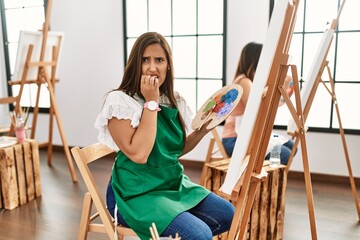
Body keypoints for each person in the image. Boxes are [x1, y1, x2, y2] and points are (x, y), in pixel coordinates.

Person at [95, 32, 235, 240]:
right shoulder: (119, 101)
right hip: (134, 194)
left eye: (159, 60)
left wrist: (203, 130)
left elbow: (176, 148)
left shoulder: (173, 98)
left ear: (168, 65)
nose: (152, 67)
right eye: (145, 60)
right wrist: (151, 103)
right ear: (135, 64)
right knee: (200, 235)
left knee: (228, 214)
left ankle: (176, 223)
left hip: (170, 185)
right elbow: (139, 154)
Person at [221, 42, 297, 165]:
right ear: (255, 60)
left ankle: (265, 179)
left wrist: (284, 95)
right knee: (285, 154)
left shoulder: (248, 80)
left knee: (292, 146)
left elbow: (266, 105)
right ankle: (264, 182)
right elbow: (258, 108)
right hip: (234, 139)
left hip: (245, 135)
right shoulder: (244, 81)